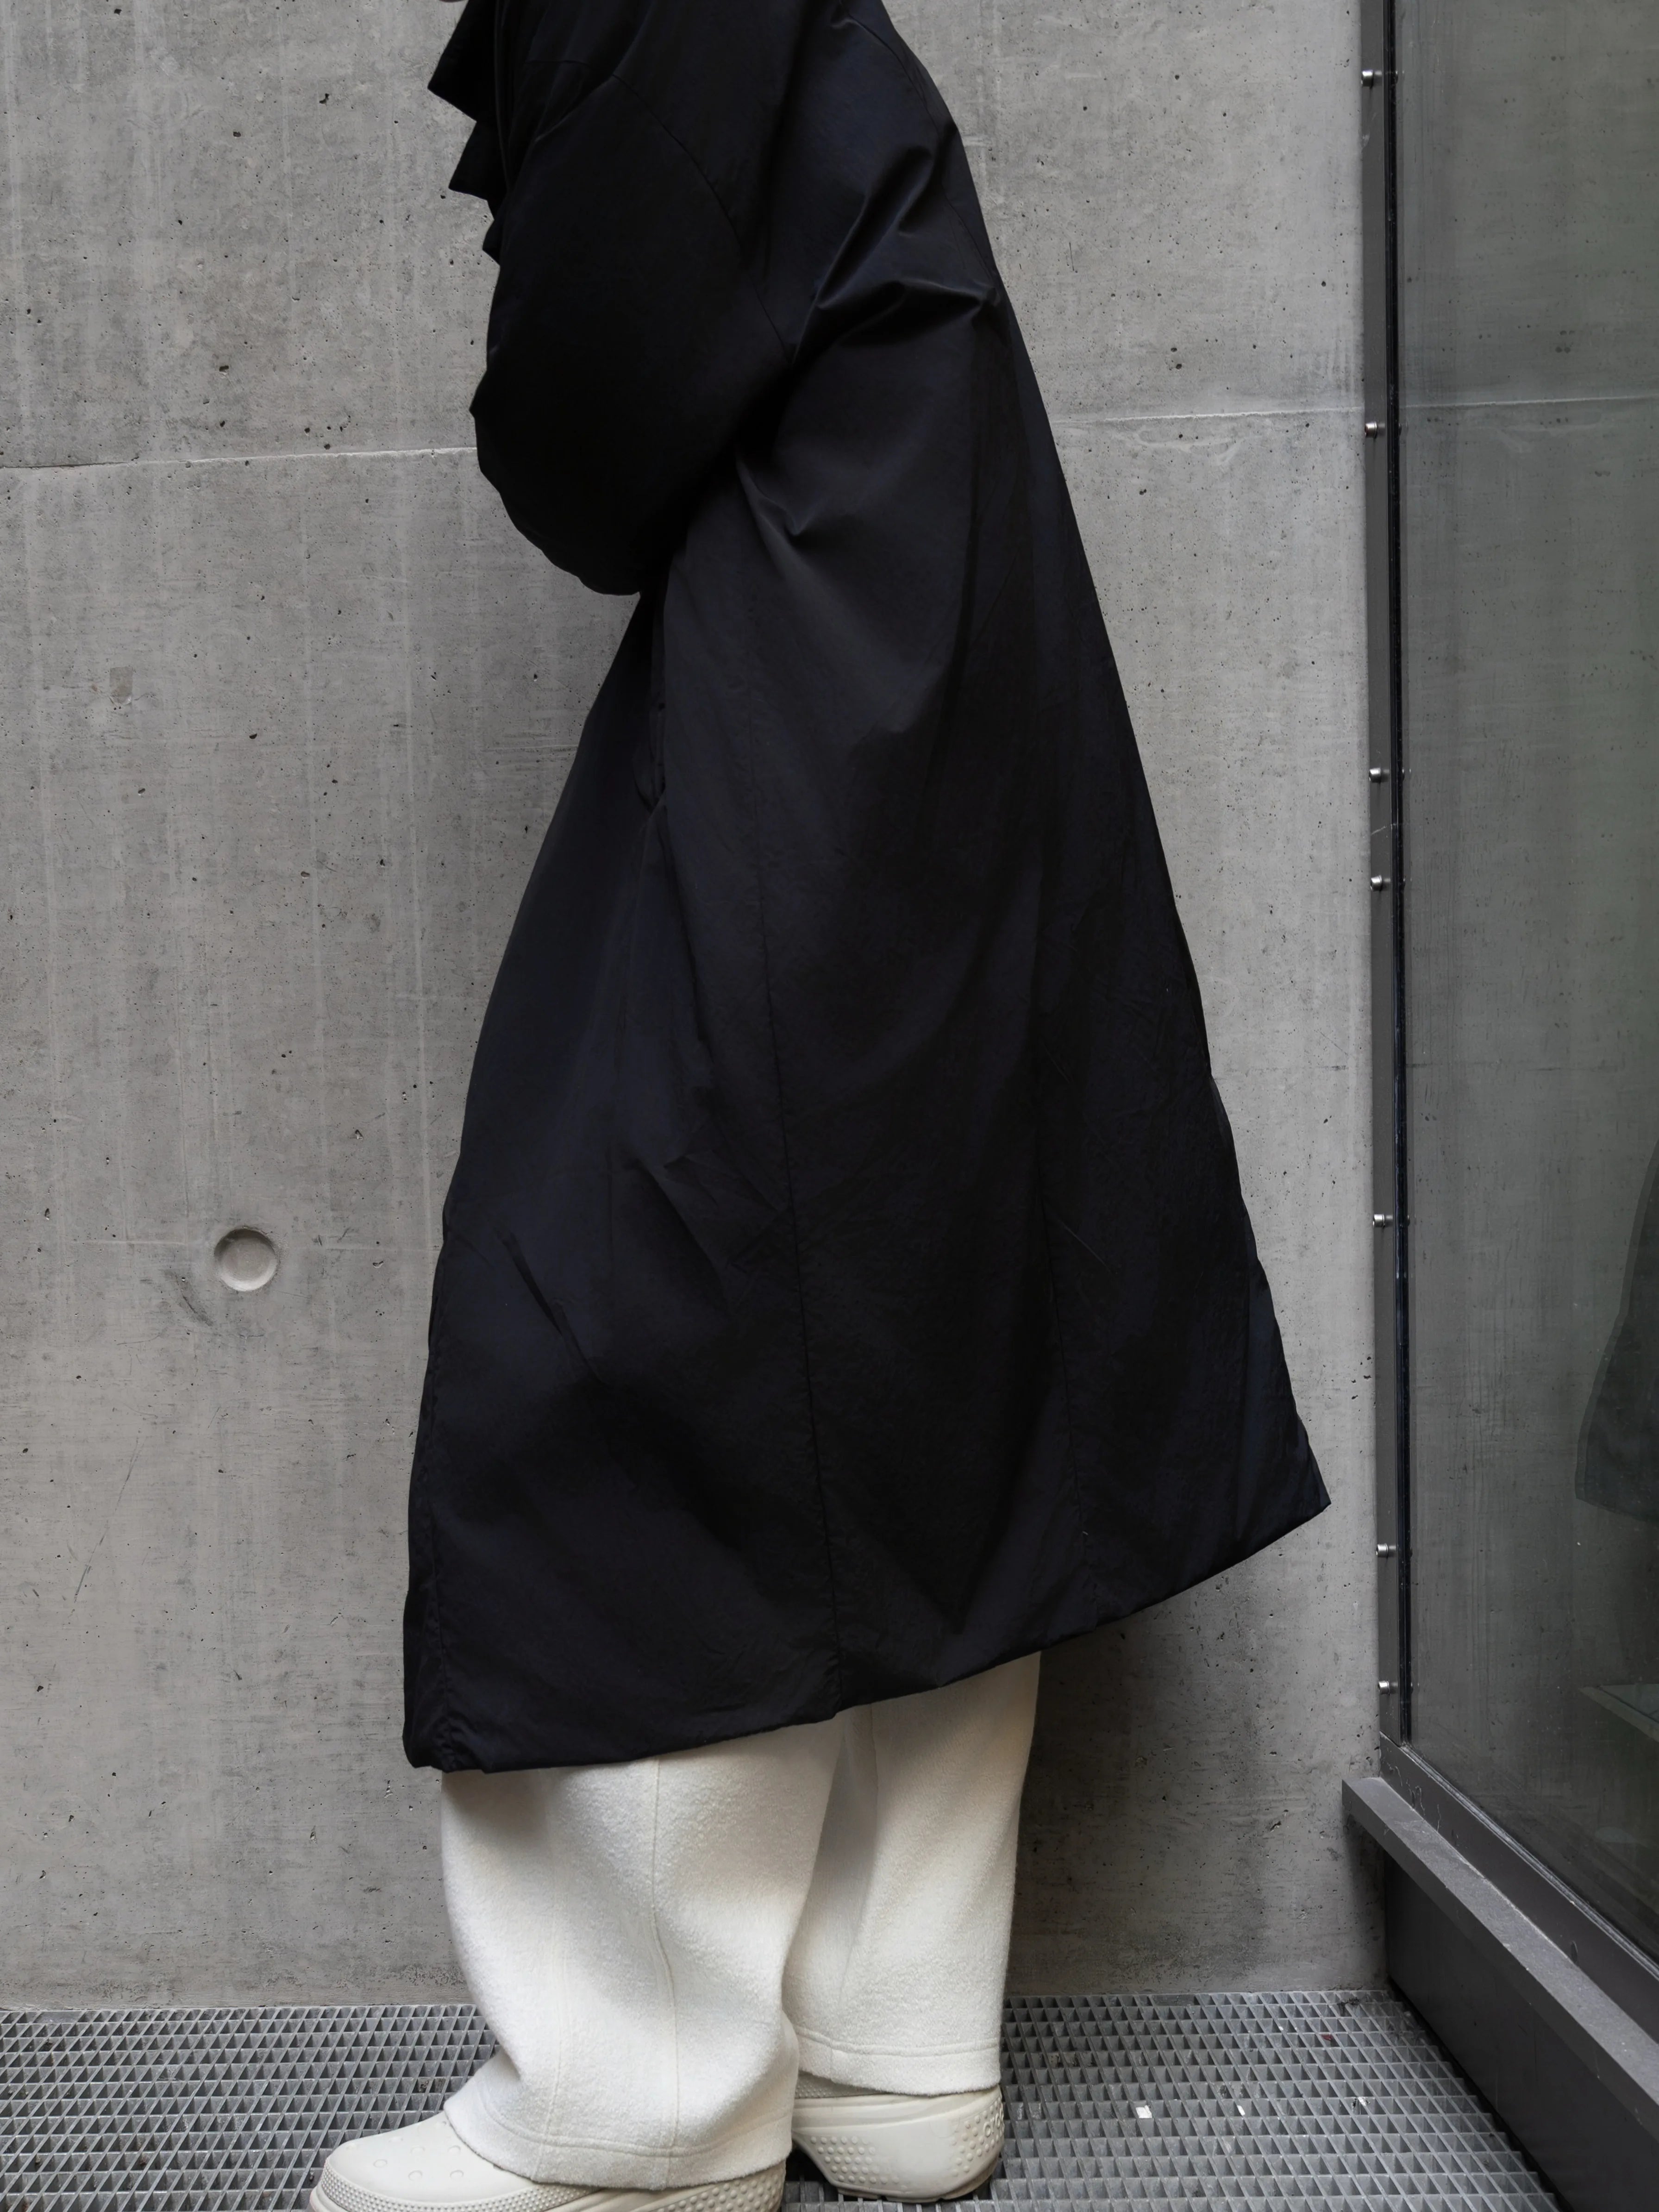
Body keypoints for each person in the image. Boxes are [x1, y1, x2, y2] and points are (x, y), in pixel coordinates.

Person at [313, 1, 1328, 2207]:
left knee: (642, 1333)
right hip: (938, 652)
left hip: (831, 667)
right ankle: (887, 2049)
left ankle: (641, 2108)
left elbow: (579, 436)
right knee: (915, 1311)